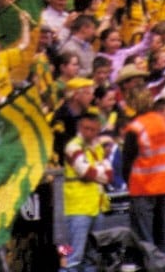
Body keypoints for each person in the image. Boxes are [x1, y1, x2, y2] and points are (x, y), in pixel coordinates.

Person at [121, 95, 165, 256]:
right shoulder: (163, 123)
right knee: (162, 237)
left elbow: (127, 160)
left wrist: (129, 183)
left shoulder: (136, 127)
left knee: (144, 239)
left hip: (142, 188)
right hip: (164, 185)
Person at [62, 110, 111, 272]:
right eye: (85, 128)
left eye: (92, 129)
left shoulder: (97, 147)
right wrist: (100, 171)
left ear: (98, 129)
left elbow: (109, 175)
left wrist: (98, 173)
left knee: (93, 257)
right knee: (71, 257)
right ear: (79, 127)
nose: (88, 132)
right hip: (76, 209)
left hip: (96, 207)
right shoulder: (72, 147)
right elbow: (85, 173)